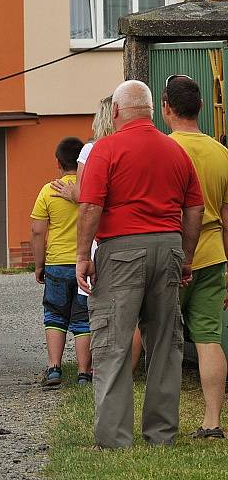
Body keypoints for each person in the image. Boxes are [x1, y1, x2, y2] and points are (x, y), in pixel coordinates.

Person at [76, 80, 204, 449]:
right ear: (151, 110)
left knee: (113, 342)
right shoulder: (176, 151)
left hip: (120, 251)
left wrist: (84, 255)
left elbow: (89, 205)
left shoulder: (106, 149)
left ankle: (115, 438)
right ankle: (161, 435)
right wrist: (186, 256)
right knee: (165, 342)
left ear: (115, 112)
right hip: (168, 246)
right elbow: (194, 207)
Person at [52, 95, 142, 374]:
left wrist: (71, 193)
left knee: (100, 307)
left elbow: (86, 195)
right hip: (135, 233)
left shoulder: (91, 150)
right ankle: (131, 369)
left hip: (102, 238)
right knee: (134, 313)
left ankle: (97, 368)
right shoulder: (132, 146)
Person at [163, 74, 228, 439]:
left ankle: (163, 420)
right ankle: (212, 421)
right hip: (214, 254)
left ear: (166, 107)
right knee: (208, 338)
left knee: (166, 340)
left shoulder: (165, 150)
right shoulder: (222, 153)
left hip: (173, 253)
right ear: (202, 106)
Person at [31, 137, 91, 389]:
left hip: (56, 264)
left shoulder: (49, 191)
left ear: (58, 162)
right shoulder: (88, 189)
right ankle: (83, 373)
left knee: (54, 315)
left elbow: (37, 231)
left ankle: (54, 368)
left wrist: (39, 265)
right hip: (84, 264)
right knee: (82, 319)